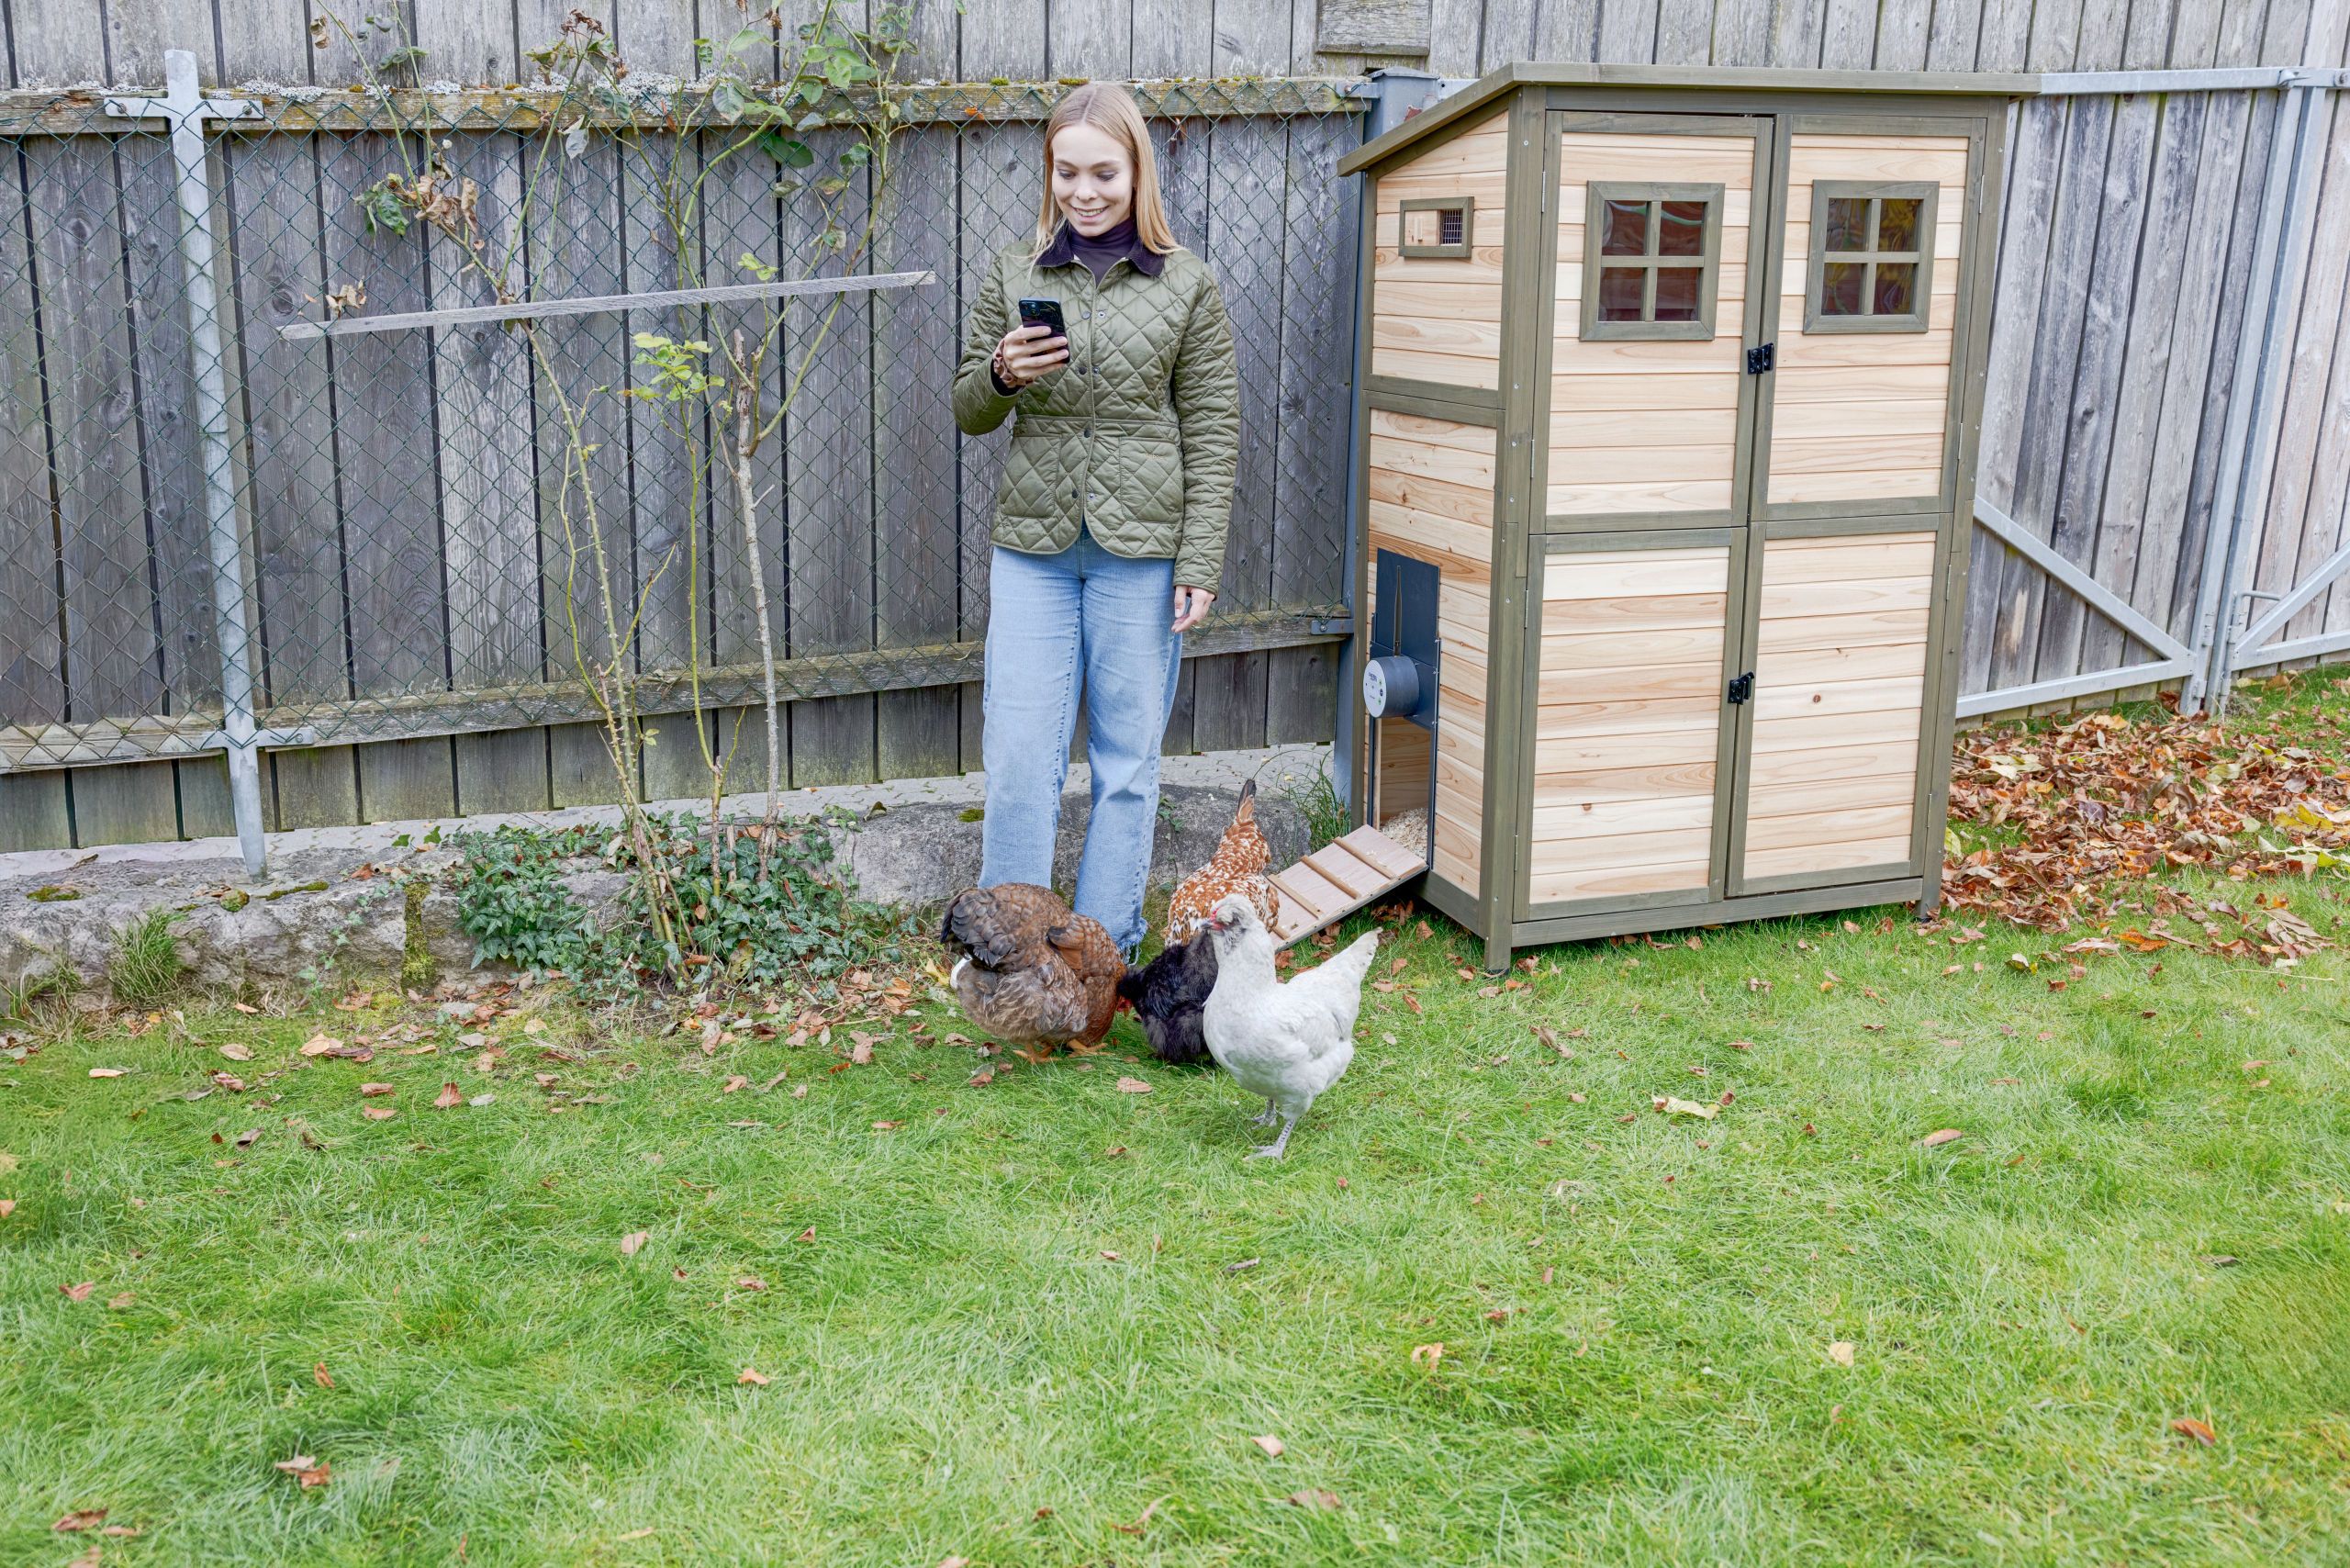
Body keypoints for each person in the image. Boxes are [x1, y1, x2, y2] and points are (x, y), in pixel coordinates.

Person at [953, 82, 1239, 958]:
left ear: (1137, 172)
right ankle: (1011, 953)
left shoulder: (1187, 284)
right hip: (1034, 549)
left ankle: (1101, 953)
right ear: (1051, 174)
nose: (1084, 190)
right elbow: (969, 409)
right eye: (1067, 172)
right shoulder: (1015, 271)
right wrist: (1003, 374)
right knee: (1019, 761)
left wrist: (1200, 557)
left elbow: (1214, 425)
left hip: (1142, 552)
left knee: (1126, 766)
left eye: (1103, 173)